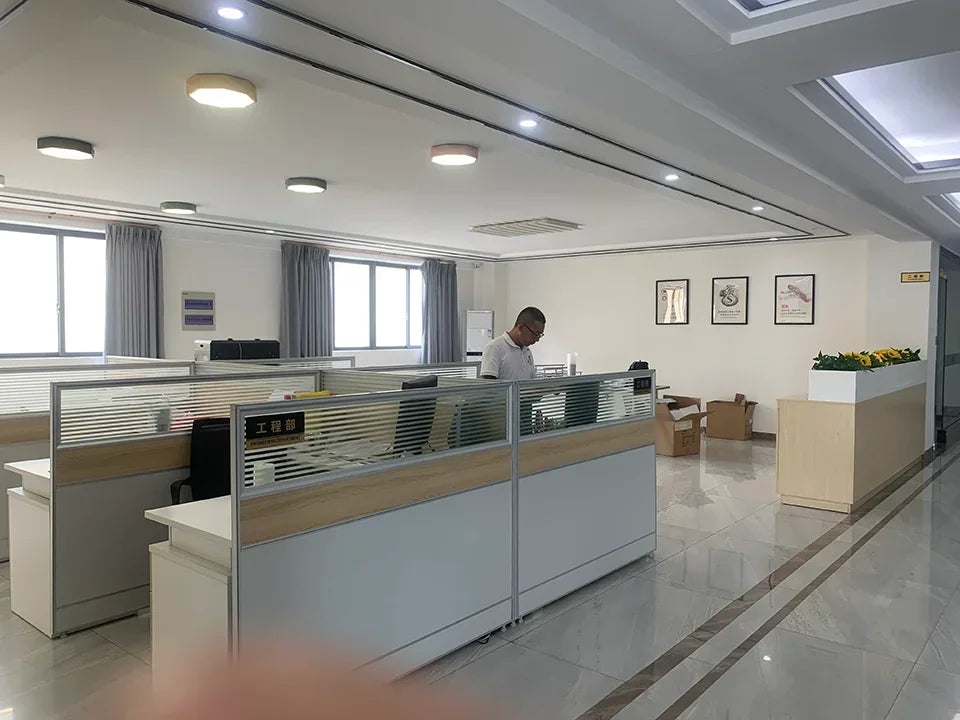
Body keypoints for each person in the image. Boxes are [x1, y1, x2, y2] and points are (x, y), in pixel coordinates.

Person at [480, 306, 545, 380]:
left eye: (540, 335)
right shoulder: (494, 347)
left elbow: (532, 383)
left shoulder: (527, 351)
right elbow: (488, 386)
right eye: (536, 334)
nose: (537, 339)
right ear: (521, 328)